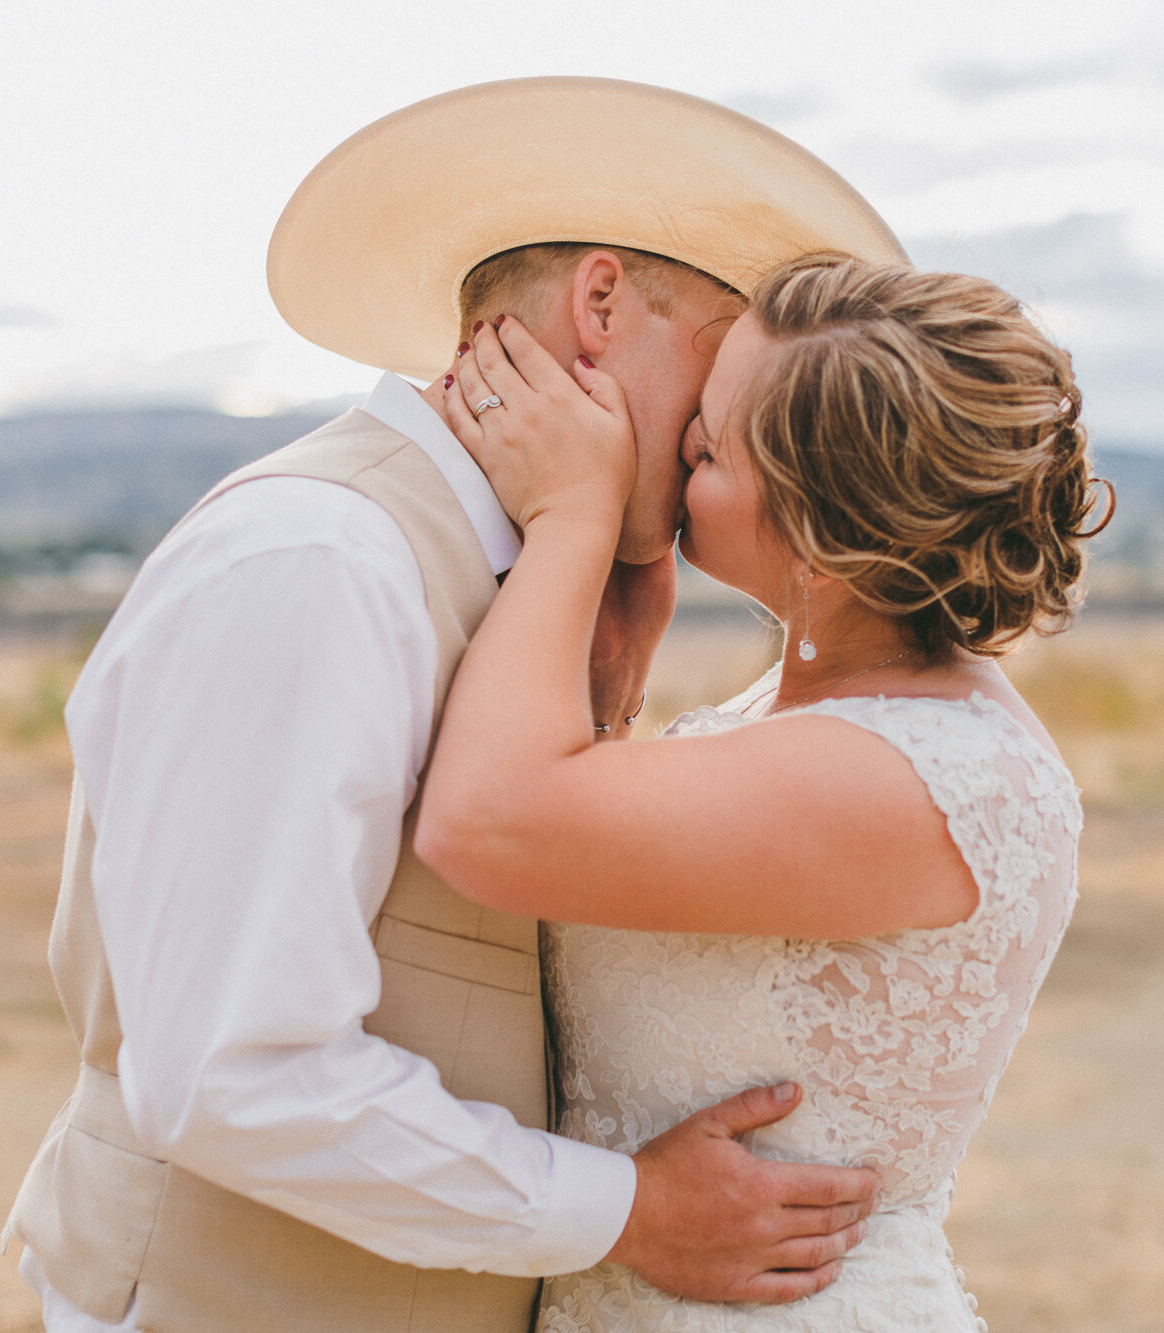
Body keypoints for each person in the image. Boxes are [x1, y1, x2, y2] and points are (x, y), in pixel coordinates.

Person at [3, 80, 909, 1333]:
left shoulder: (529, 585)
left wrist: (599, 696)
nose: (732, 423)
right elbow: (236, 1071)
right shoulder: (320, 558)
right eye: (721, 352)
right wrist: (628, 1212)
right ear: (601, 307)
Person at [419, 253, 1108, 1331]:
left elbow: (485, 825)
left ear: (822, 540)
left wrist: (570, 519)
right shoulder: (819, 714)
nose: (667, 444)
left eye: (703, 445)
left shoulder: (911, 774)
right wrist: (612, 689)